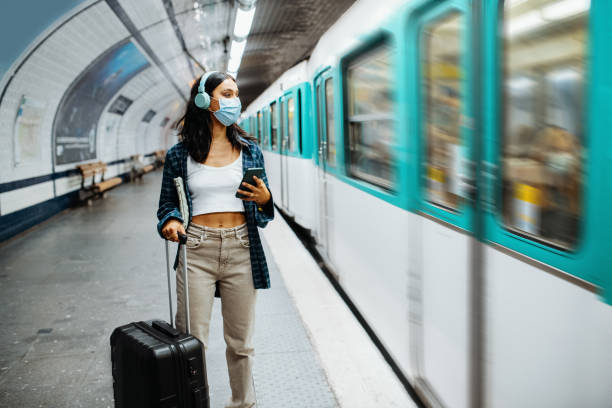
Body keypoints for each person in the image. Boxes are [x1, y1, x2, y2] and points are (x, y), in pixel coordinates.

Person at [156, 70, 274, 408]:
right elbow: (167, 205)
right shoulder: (179, 155)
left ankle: (243, 404)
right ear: (205, 100)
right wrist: (172, 221)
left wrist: (265, 198)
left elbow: (263, 211)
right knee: (192, 343)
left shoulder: (250, 151)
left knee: (241, 344)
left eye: (236, 94)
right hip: (196, 250)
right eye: (227, 93)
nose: (234, 100)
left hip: (241, 248)